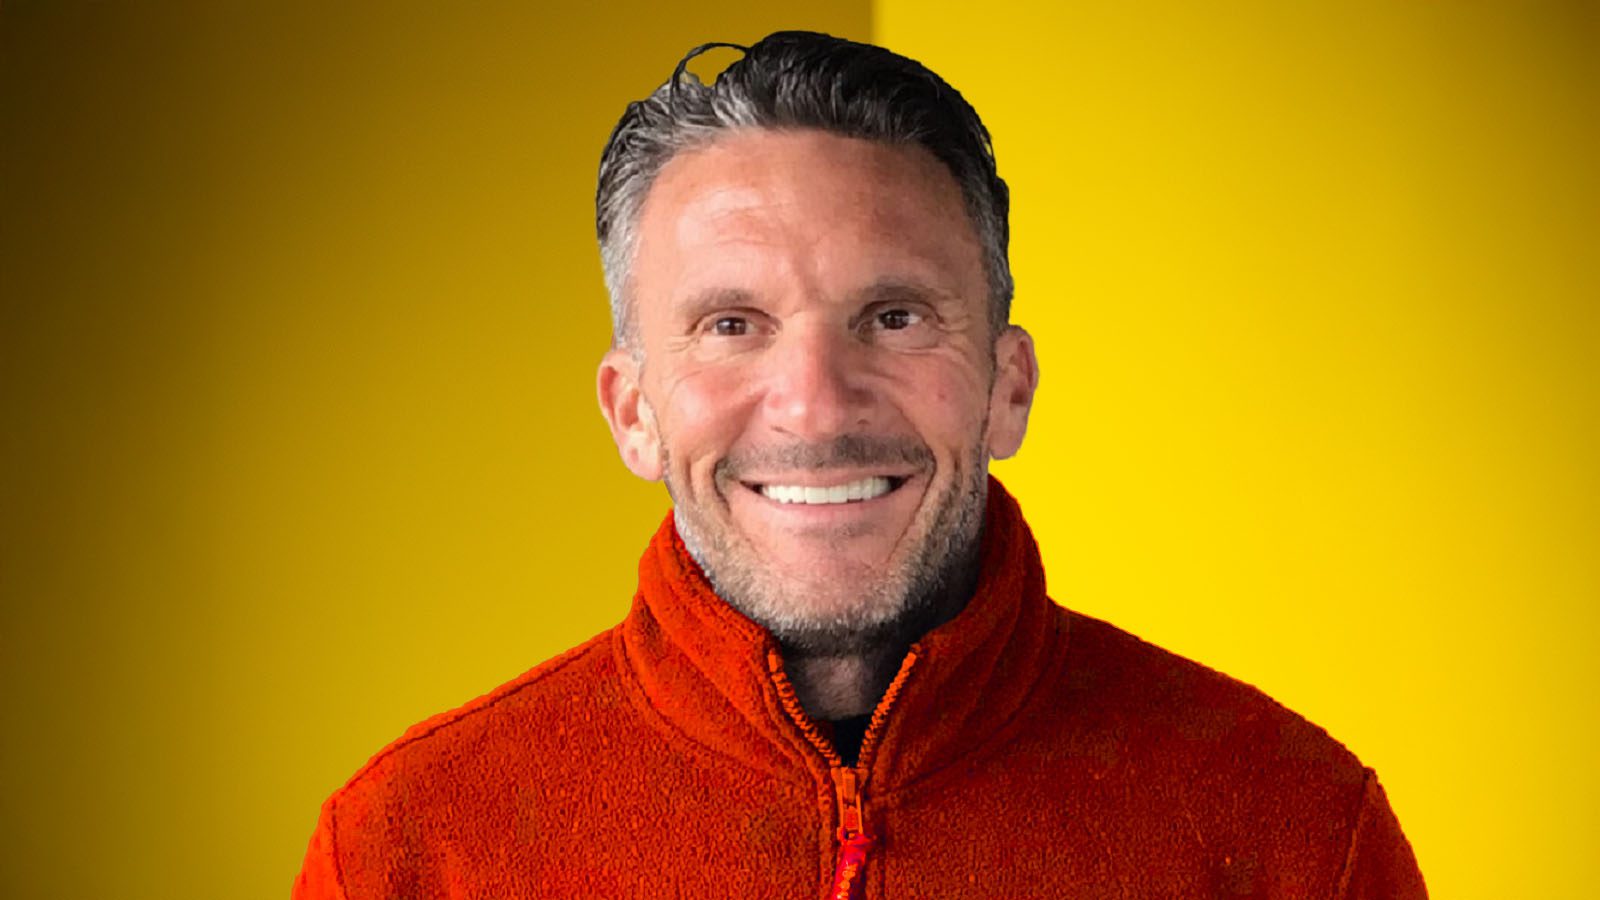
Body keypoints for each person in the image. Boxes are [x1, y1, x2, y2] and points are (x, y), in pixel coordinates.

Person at [292, 31, 1427, 899]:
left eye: (892, 317)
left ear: (1007, 387)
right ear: (633, 412)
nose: (816, 403)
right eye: (731, 324)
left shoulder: (1297, 833)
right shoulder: (406, 849)